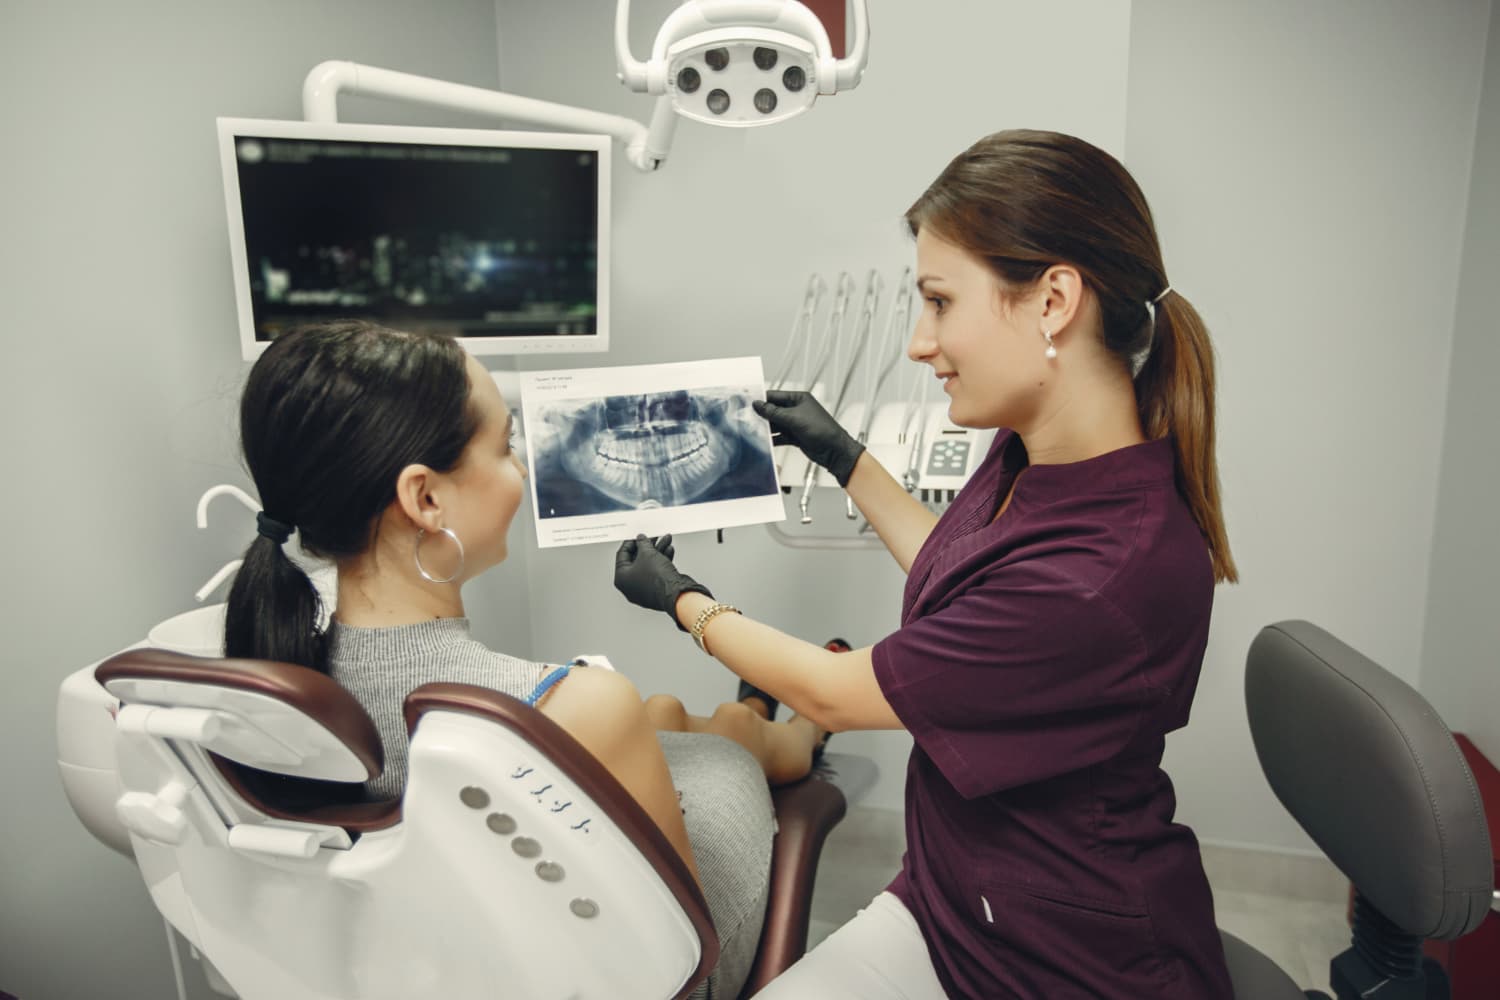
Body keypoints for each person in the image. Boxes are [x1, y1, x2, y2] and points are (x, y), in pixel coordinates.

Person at [611, 129, 1238, 999]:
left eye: (940, 302)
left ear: (1054, 300)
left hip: (1063, 961)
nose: (918, 342)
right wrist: (845, 457)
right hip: (954, 899)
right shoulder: (1034, 452)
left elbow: (835, 694)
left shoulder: (1103, 575)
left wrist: (684, 601)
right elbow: (964, 571)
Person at [223, 320, 830, 999]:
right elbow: (683, 960)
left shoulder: (279, 682)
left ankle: (758, 721)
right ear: (426, 498)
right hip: (657, 972)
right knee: (727, 744)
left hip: (430, 967)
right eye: (505, 445)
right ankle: (792, 732)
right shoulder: (576, 704)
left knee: (660, 713)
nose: (519, 470)